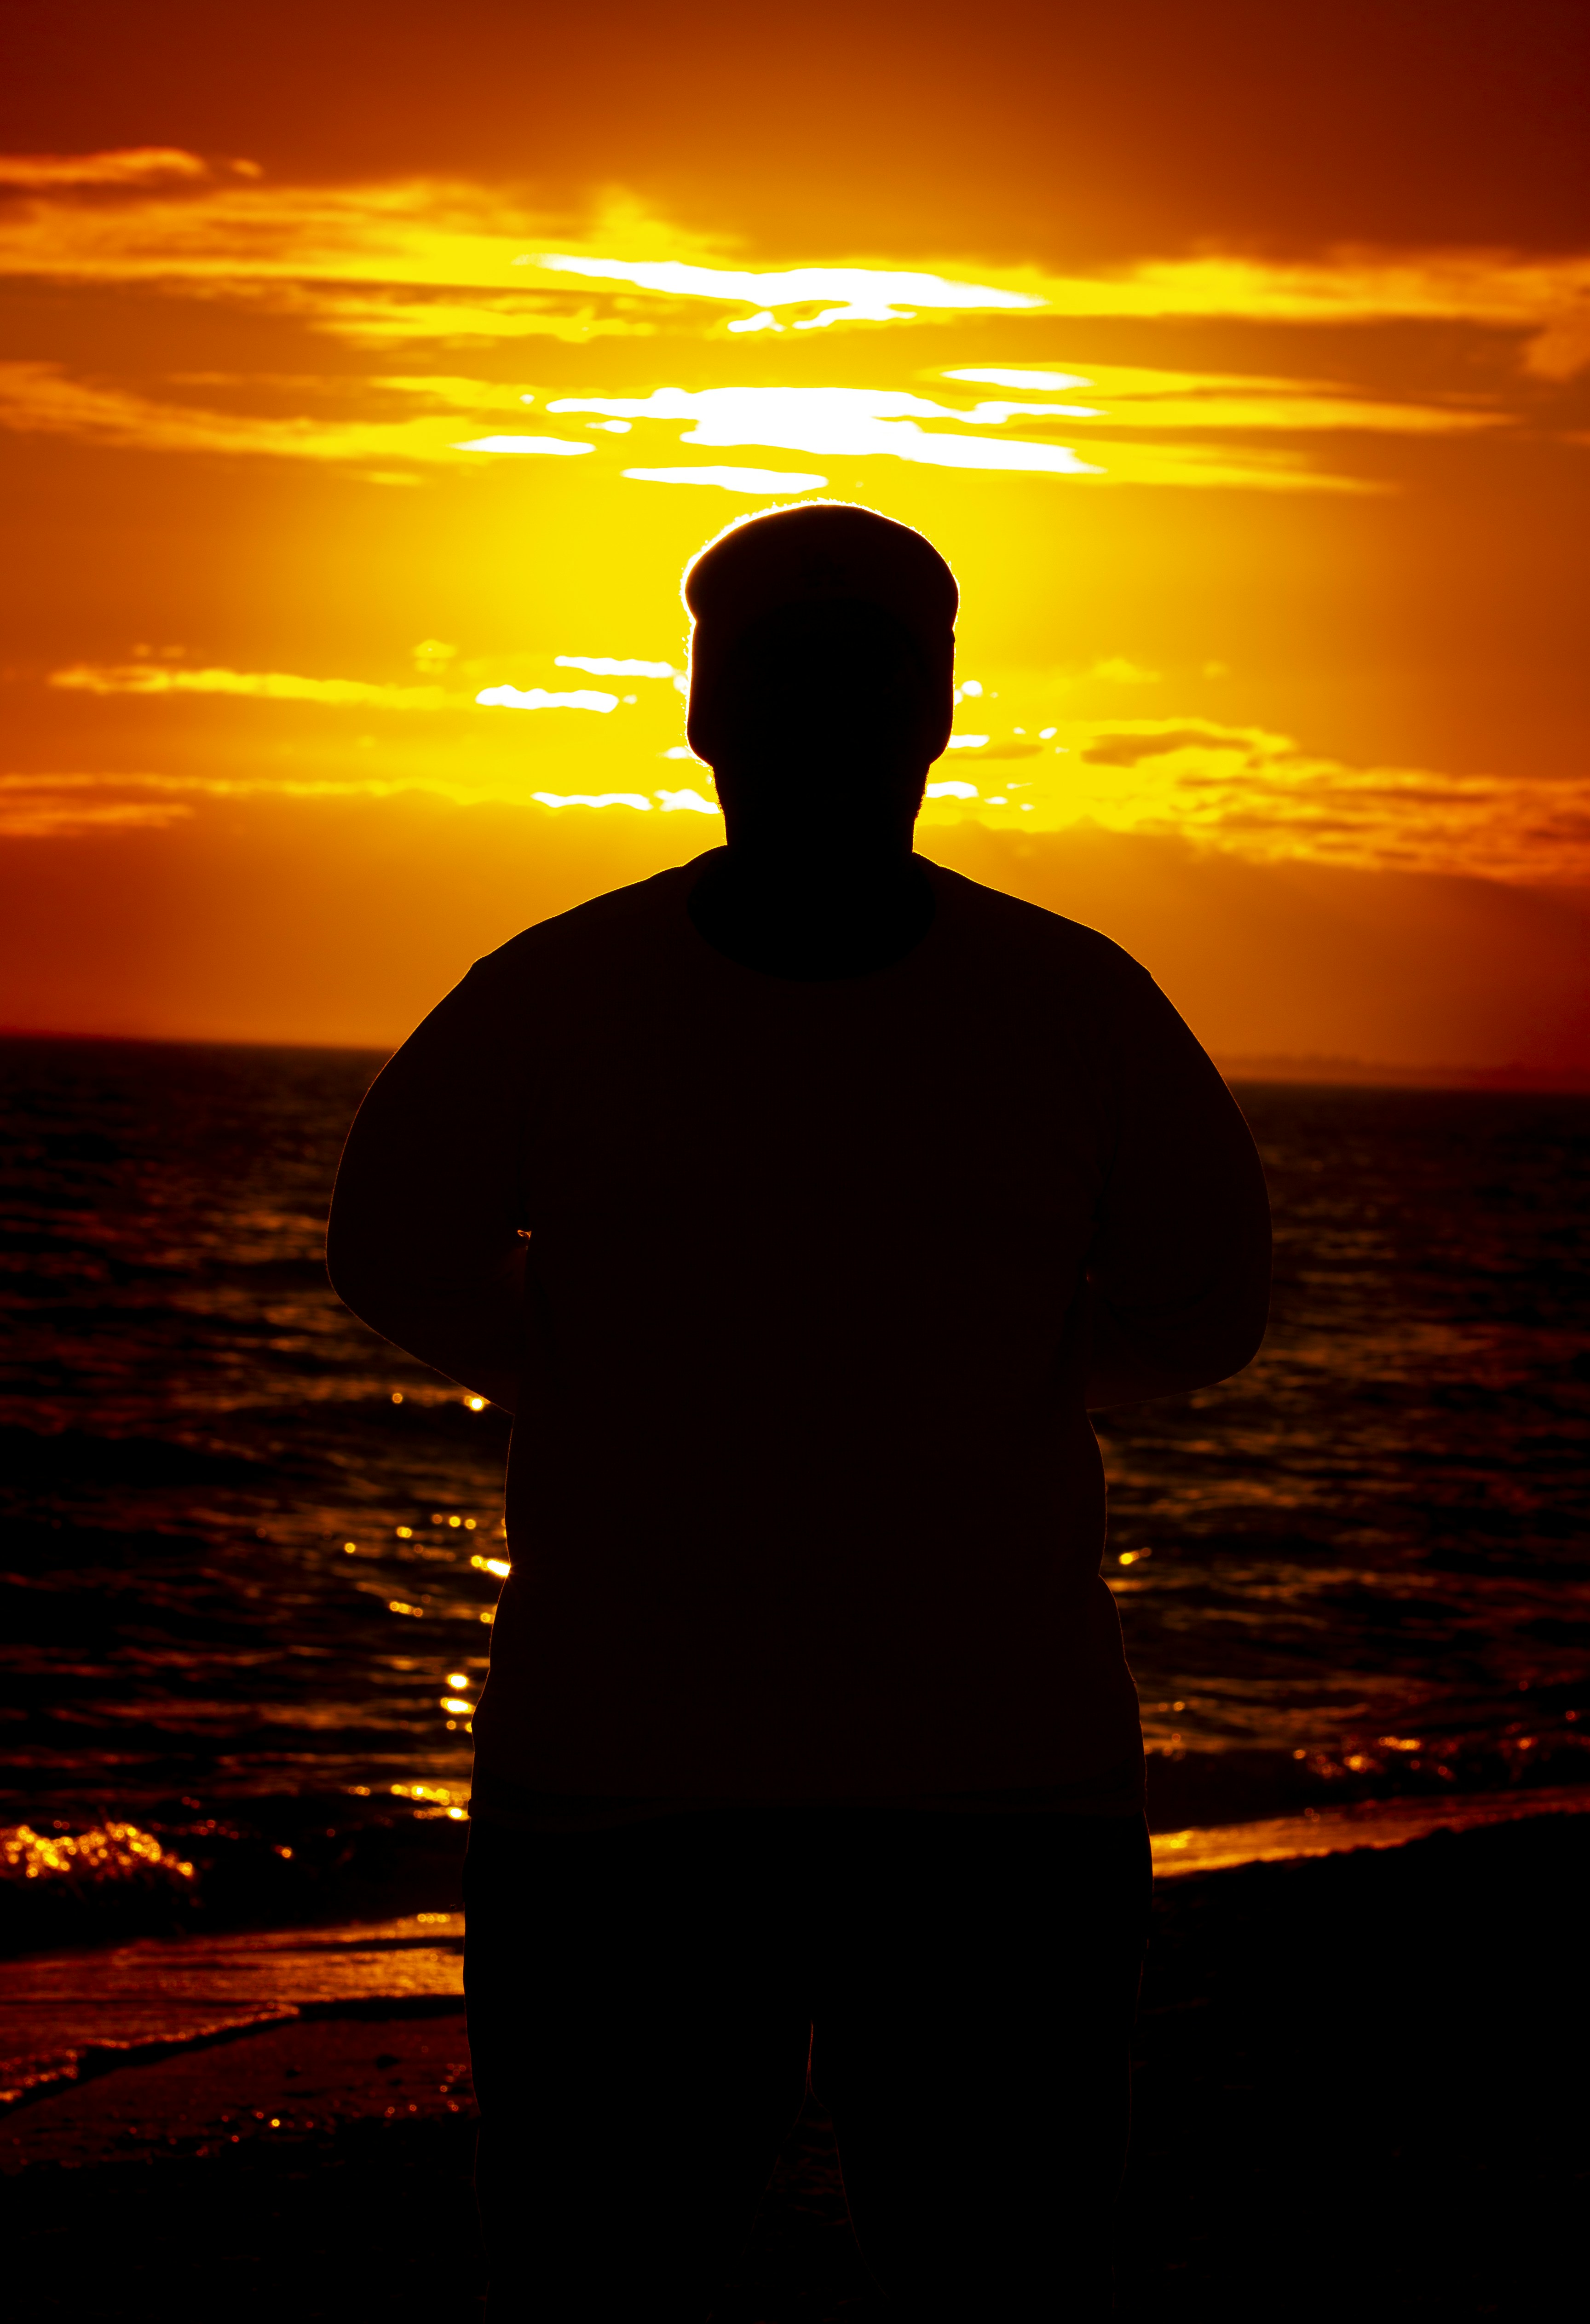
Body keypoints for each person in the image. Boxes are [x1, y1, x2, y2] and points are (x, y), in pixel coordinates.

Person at [326, 503, 1271, 2319]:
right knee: (979, 2292)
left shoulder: (556, 993)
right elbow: (1202, 1314)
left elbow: (398, 1255)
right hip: (919, 1791)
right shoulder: (1075, 1003)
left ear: (704, 713)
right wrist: (961, 1382)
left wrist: (635, 1368)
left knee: (621, 2293)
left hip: (692, 1792)